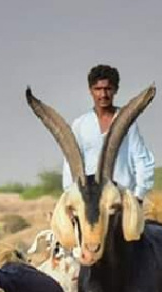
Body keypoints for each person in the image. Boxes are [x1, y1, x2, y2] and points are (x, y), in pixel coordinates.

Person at [61, 64, 155, 199]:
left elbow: (141, 159)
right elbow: (69, 164)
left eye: (108, 89)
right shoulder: (80, 124)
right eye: (98, 89)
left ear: (115, 90)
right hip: (88, 200)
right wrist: (71, 197)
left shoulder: (128, 122)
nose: (103, 94)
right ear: (90, 90)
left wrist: (138, 196)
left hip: (121, 197)